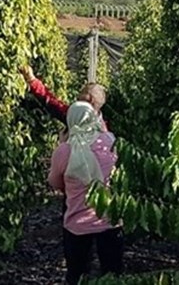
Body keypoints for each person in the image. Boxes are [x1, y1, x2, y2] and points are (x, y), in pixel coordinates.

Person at [48, 101, 123, 285]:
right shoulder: (110, 141)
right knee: (113, 272)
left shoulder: (65, 150)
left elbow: (55, 182)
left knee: (77, 274)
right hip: (110, 219)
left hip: (77, 223)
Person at [20, 65, 108, 132]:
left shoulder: (76, 118)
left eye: (83, 93)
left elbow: (52, 103)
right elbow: (53, 103)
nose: (78, 96)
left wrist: (32, 80)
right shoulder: (103, 132)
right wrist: (33, 80)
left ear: (90, 99)